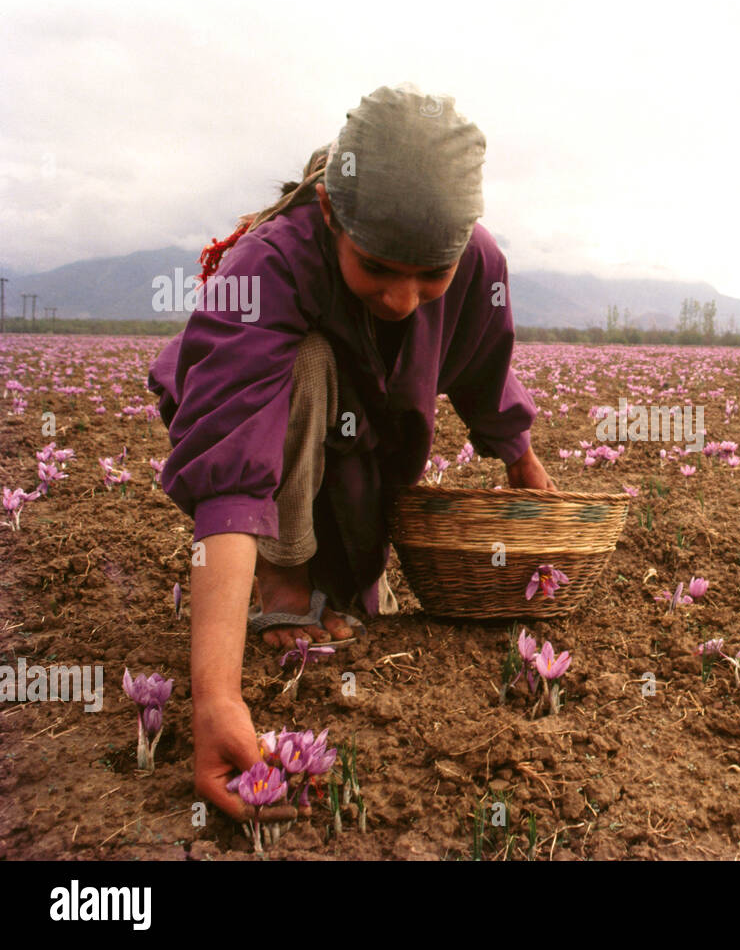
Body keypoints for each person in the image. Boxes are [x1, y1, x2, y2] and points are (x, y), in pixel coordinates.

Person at [146, 84, 556, 821]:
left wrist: (519, 456)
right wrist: (217, 696)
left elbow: (485, 363)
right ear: (331, 216)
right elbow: (234, 470)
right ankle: (284, 584)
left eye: (429, 274)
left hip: (365, 438)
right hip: (269, 422)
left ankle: (332, 589)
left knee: (359, 577)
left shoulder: (476, 262)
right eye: (377, 268)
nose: (404, 299)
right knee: (304, 365)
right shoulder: (268, 266)